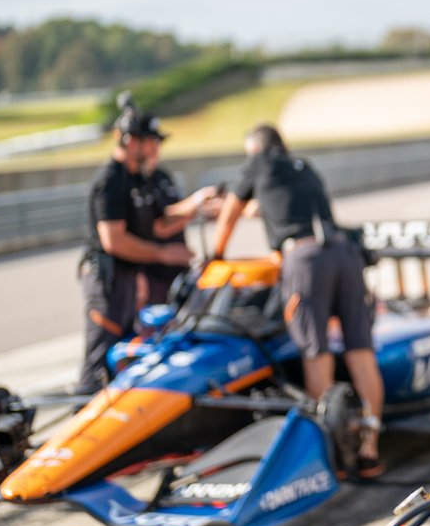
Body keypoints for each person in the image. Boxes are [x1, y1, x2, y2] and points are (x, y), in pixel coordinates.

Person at [210, 124, 386, 477]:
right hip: (344, 253)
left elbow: (230, 211)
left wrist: (215, 254)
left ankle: (329, 453)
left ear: (257, 147)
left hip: (306, 261)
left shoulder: (258, 161)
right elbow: (279, 206)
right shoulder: (302, 167)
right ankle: (369, 450)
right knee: (360, 353)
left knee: (315, 352)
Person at [76, 109, 194, 394]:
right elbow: (113, 240)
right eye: (149, 140)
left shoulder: (137, 178)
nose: (155, 147)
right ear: (129, 141)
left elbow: (157, 224)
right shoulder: (111, 179)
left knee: (124, 355)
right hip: (107, 280)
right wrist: (163, 254)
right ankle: (82, 421)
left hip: (126, 280)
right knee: (99, 359)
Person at [129, 130, 222, 307]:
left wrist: (201, 209)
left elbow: (179, 215)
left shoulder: (162, 176)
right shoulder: (136, 182)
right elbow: (159, 225)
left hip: (178, 269)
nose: (156, 149)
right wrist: (197, 201)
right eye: (151, 142)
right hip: (152, 274)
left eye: (157, 143)